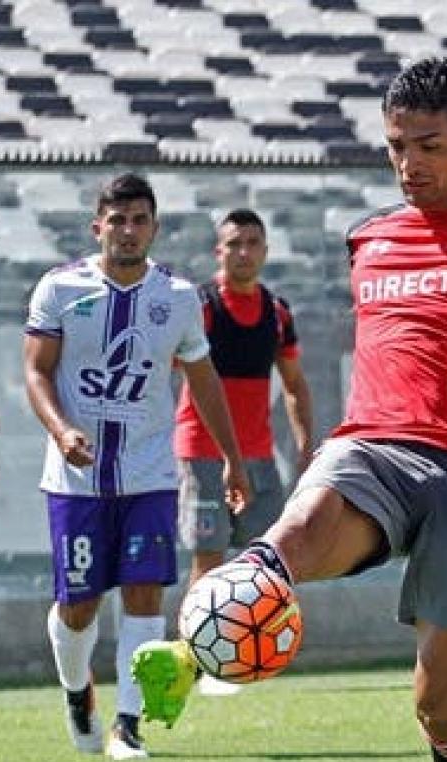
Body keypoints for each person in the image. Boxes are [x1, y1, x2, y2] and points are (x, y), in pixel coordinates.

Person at [130, 57, 447, 762]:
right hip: (371, 449)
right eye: (396, 146)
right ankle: (188, 655)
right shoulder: (368, 238)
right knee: (279, 548)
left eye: (429, 146)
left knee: (438, 707)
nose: (408, 163)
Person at [23, 172, 251, 760]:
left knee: (144, 595)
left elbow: (203, 380)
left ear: (154, 228)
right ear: (97, 227)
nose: (128, 231)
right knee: (79, 608)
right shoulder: (59, 289)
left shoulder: (178, 298)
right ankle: (77, 691)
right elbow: (36, 371)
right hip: (75, 481)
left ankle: (127, 725)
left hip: (150, 475)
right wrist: (62, 429)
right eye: (117, 220)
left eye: (139, 220)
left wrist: (232, 458)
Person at [174, 208, 315, 696]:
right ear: (219, 252)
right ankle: (193, 665)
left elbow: (294, 384)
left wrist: (304, 444)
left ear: (265, 251)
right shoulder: (201, 307)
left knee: (264, 562)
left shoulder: (277, 313)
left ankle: (246, 658)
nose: (243, 252)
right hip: (202, 451)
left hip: (258, 456)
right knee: (208, 558)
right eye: (234, 244)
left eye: (252, 243)